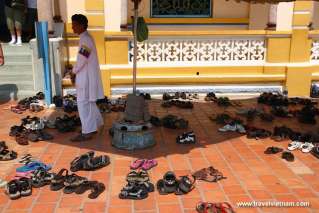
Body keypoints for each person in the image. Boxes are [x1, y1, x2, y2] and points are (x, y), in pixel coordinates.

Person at [70, 14, 104, 142]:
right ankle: (93, 124)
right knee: (88, 102)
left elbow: (82, 59)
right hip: (86, 75)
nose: (72, 27)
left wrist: (73, 71)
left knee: (83, 103)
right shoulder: (86, 38)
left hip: (86, 77)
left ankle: (87, 131)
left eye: (74, 25)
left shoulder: (86, 39)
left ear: (81, 25)